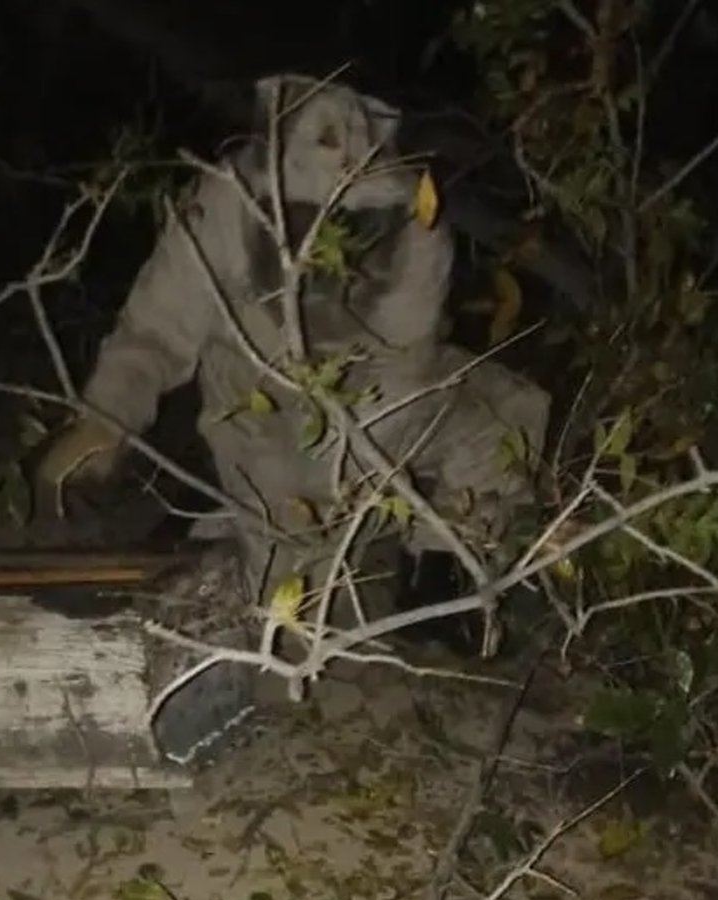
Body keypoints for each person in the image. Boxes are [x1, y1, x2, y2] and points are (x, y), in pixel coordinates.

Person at [36, 74, 550, 635]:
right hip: (256, 404)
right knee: (283, 606)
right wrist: (105, 419)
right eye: (304, 216)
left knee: (507, 416)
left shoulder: (417, 225)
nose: (320, 248)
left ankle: (440, 578)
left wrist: (339, 489)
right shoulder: (221, 205)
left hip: (372, 397)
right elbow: (154, 333)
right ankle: (226, 520)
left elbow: (406, 369)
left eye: (343, 221)